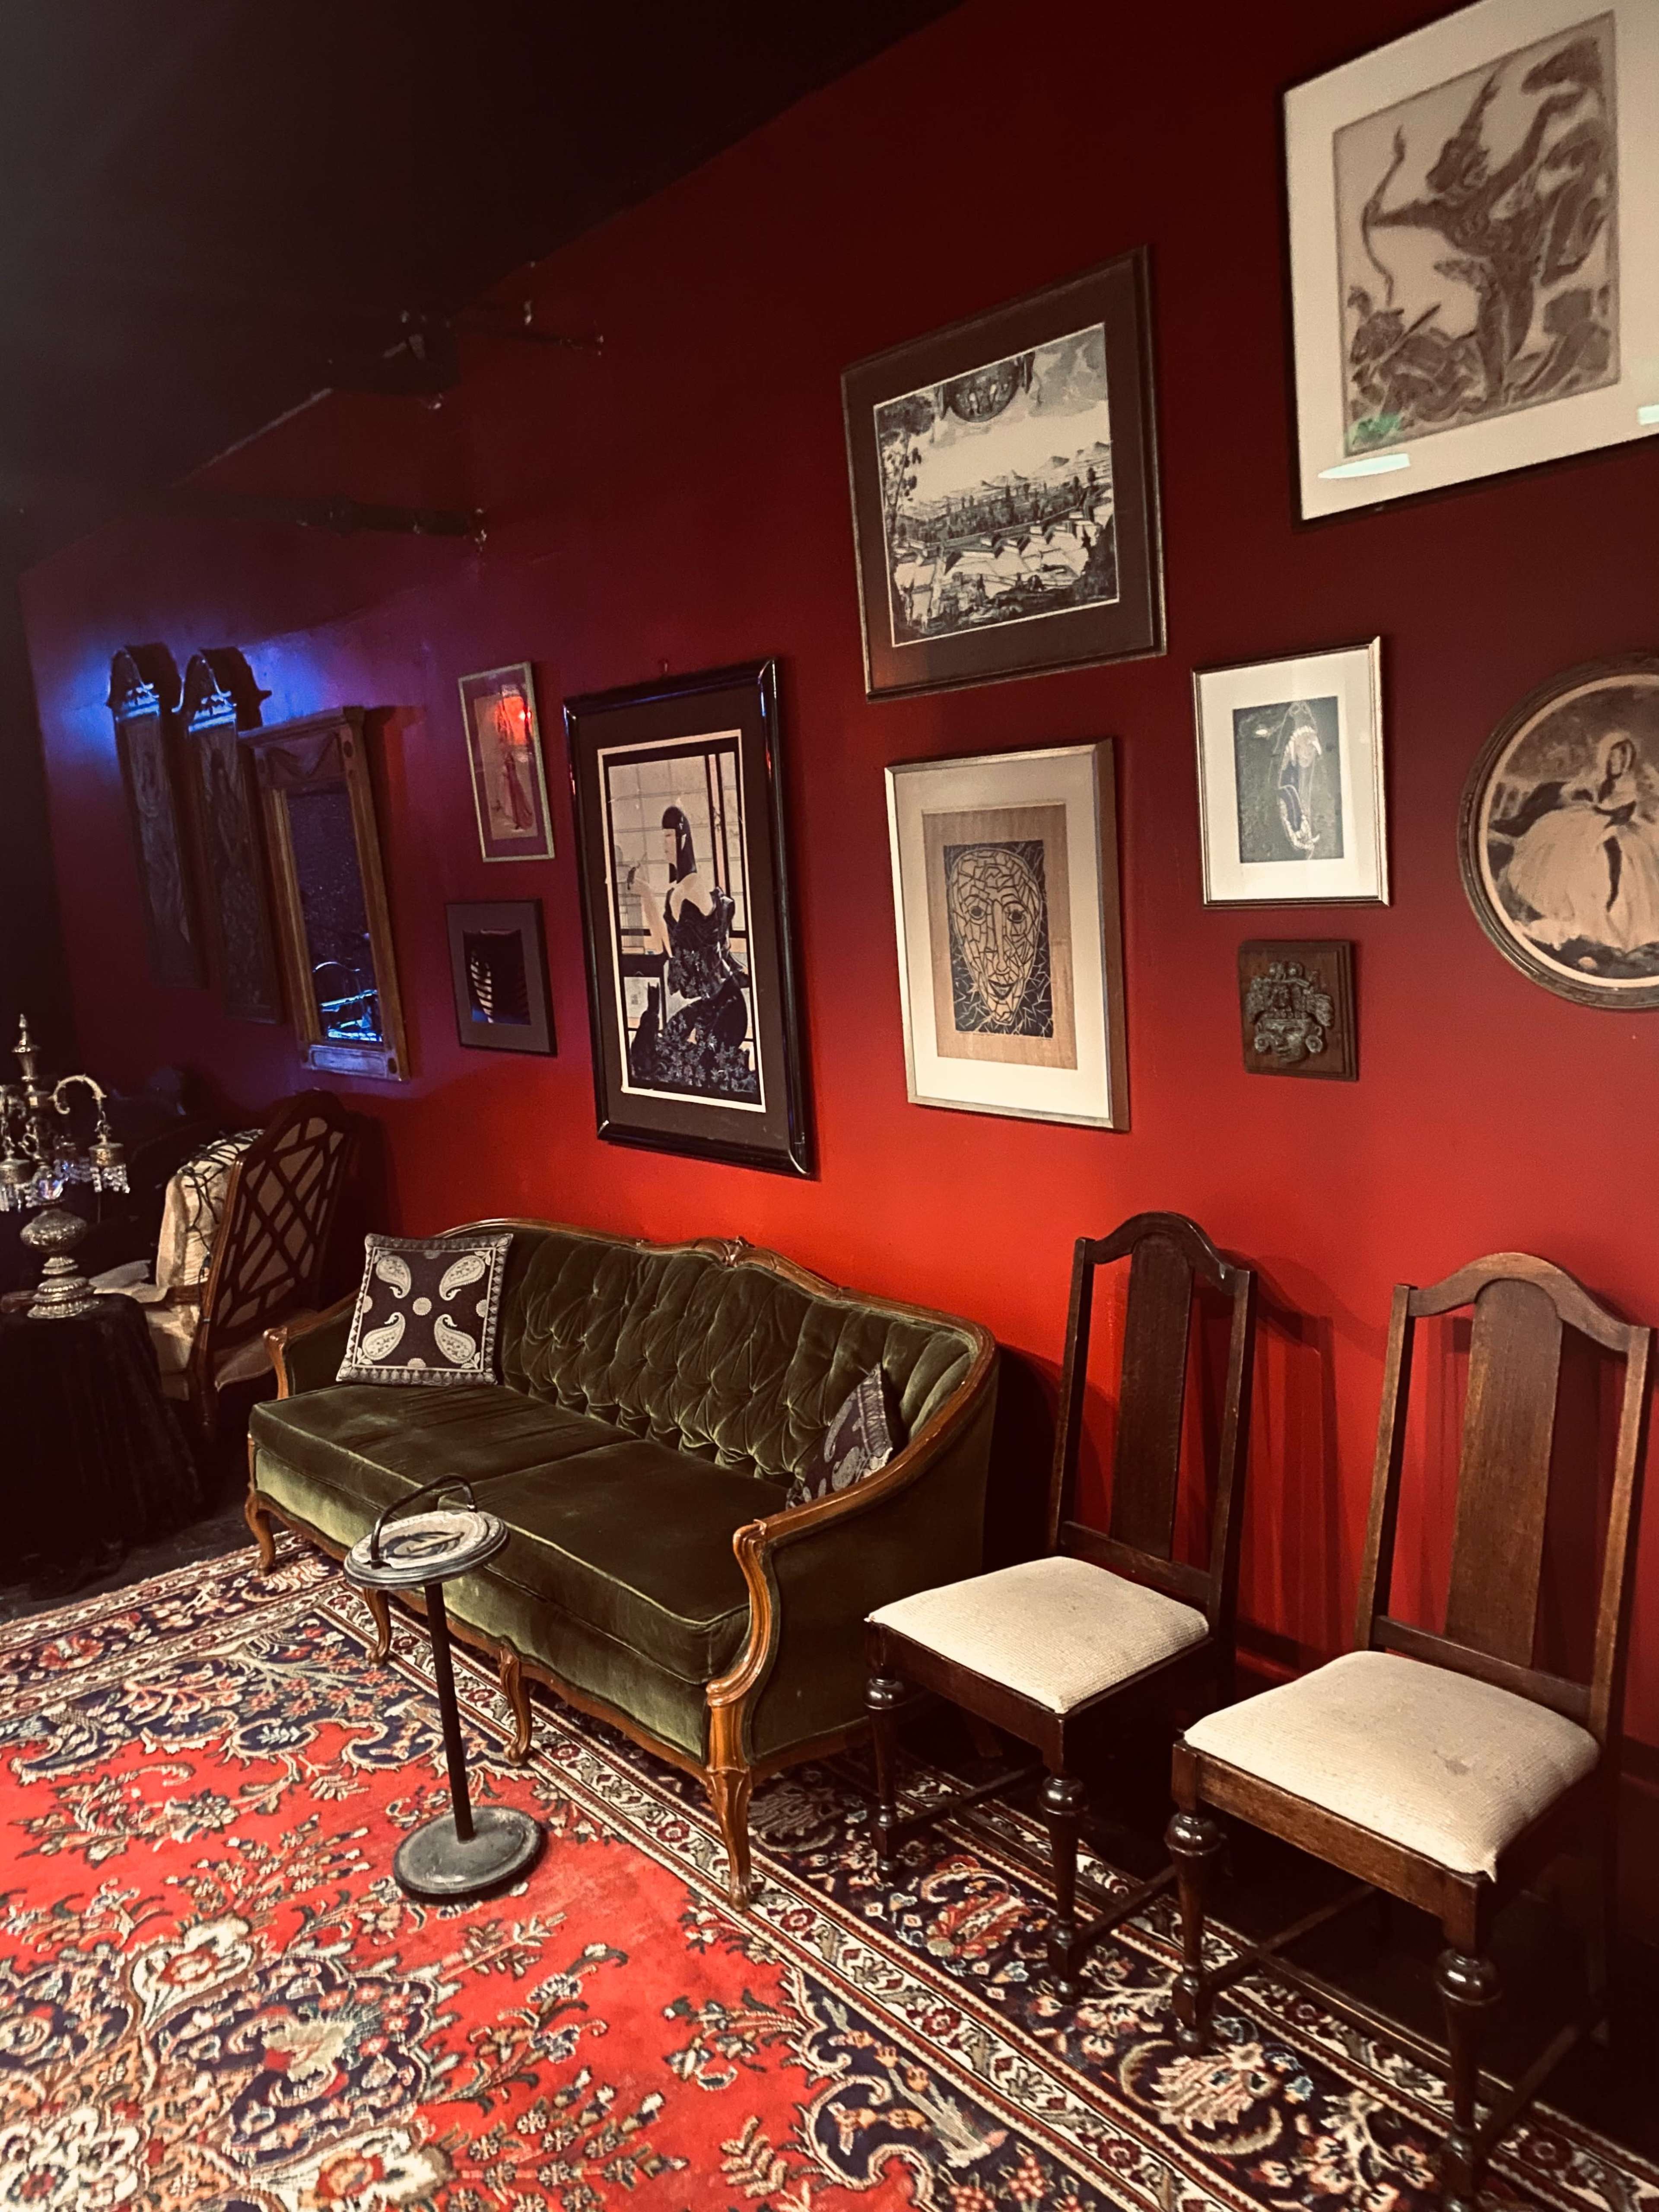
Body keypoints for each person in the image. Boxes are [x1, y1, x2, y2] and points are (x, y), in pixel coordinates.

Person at [624, 805, 757, 1098]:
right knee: (662, 1047)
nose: (665, 844)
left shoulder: (695, 886)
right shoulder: (675, 891)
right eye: (663, 837)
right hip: (705, 1005)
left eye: (670, 837)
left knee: (704, 1072)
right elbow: (667, 948)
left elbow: (711, 934)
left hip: (727, 1004)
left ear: (683, 839)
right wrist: (646, 894)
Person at [1502, 731, 1659, 955]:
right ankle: (1561, 904)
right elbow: (1577, 792)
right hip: (1592, 819)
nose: (1618, 763)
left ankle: (1610, 906)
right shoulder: (1598, 778)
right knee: (1555, 834)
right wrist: (1583, 798)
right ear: (1606, 758)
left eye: (1623, 759)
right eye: (1614, 758)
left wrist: (1604, 826)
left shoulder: (1627, 785)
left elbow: (1621, 814)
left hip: (1615, 826)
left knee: (1612, 858)